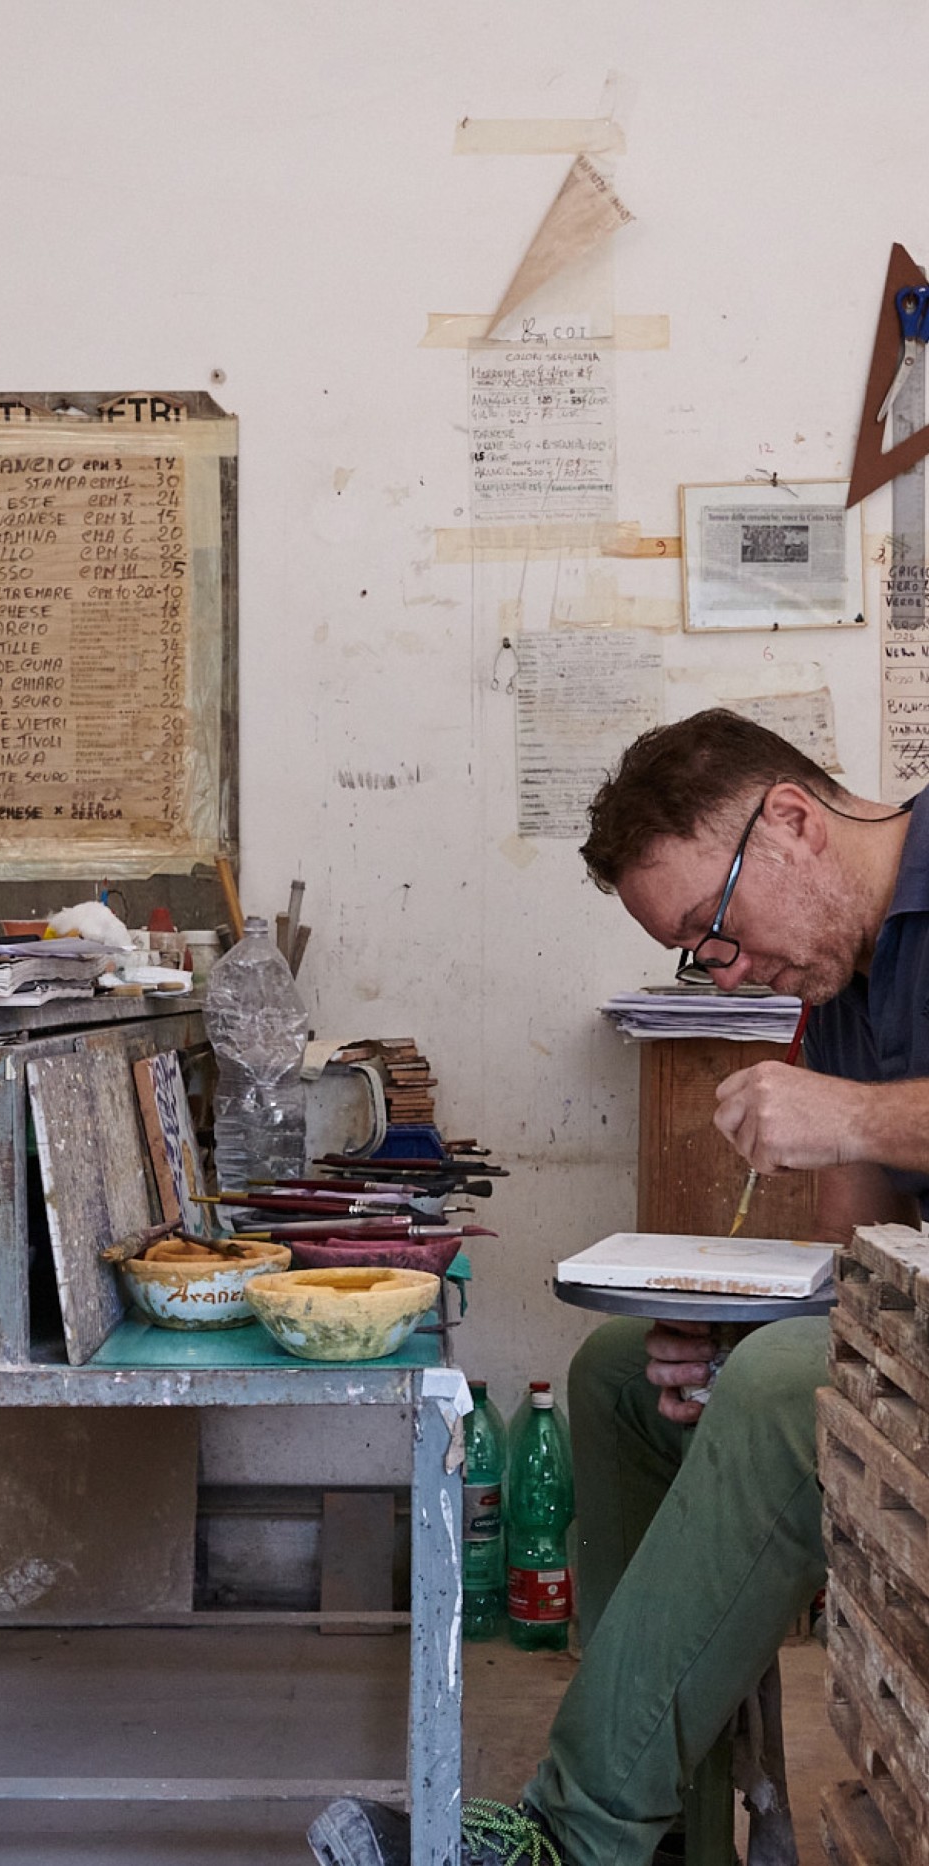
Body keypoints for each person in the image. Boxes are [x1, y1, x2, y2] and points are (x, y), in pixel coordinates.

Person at [308, 709, 929, 1866]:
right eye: (696, 957)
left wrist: (848, 1115)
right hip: (912, 1336)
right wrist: (740, 1326)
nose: (726, 970)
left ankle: (576, 1835)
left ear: (789, 822)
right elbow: (856, 1267)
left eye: (713, 928)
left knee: (791, 1391)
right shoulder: (844, 973)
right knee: (619, 1376)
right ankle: (664, 1843)